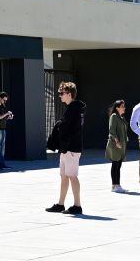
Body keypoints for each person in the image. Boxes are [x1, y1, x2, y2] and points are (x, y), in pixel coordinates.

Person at [46, 81, 85, 215]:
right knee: (64, 176)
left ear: (69, 94)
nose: (60, 96)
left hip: (71, 149)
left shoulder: (74, 109)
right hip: (67, 148)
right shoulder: (72, 108)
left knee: (72, 176)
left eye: (61, 93)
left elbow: (71, 129)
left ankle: (77, 206)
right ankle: (60, 204)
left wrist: (60, 127)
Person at [105, 99, 128, 192]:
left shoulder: (121, 117)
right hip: (115, 145)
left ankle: (116, 185)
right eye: (122, 106)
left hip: (121, 145)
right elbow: (112, 131)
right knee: (115, 164)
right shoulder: (114, 116)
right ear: (117, 108)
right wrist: (117, 142)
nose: (124, 108)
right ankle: (115, 185)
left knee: (118, 165)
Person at [0, 92, 14, 170]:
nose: (5, 101)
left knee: (2, 148)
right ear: (0, 98)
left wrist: (9, 117)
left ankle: (2, 164)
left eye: (6, 100)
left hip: (3, 128)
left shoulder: (2, 106)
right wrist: (6, 113)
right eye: (4, 100)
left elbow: (3, 118)